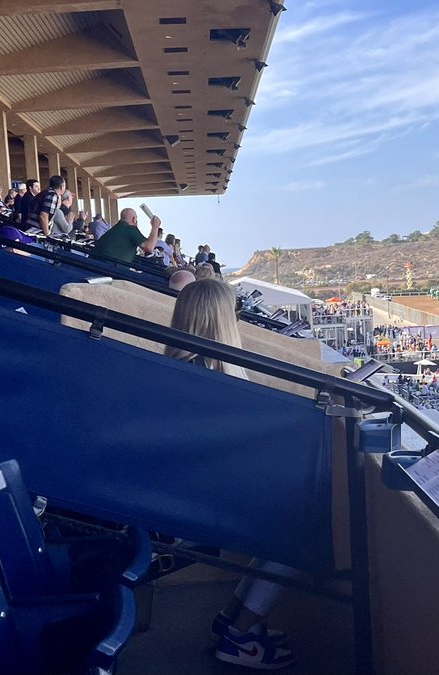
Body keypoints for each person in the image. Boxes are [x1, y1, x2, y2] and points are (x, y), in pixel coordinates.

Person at [163, 279, 293, 668]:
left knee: (284, 524)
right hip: (205, 505)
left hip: (184, 495)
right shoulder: (216, 376)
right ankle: (241, 634)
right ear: (221, 319)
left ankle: (233, 618)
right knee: (301, 534)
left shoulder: (175, 368)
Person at [91, 207, 160, 264]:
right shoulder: (130, 229)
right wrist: (155, 226)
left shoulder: (117, 228)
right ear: (134, 219)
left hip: (95, 263)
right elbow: (149, 247)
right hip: (111, 269)